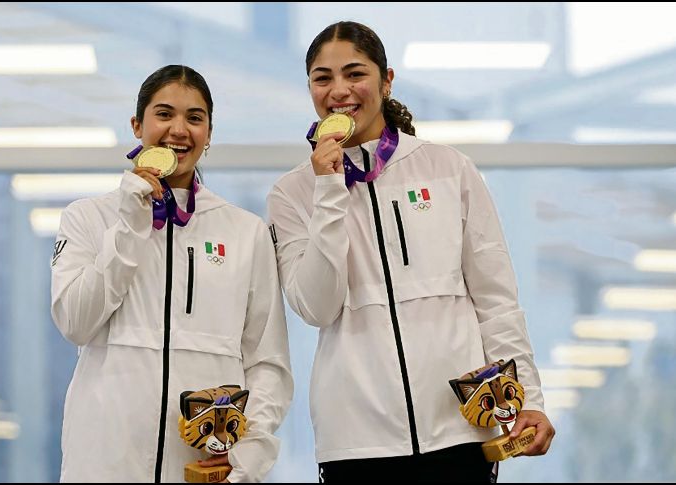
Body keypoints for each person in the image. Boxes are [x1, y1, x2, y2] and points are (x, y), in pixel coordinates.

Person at [267, 21, 554, 482]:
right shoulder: (292, 193)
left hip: (461, 428)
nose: (339, 90)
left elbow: (496, 300)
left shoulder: (448, 169)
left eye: (354, 73)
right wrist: (328, 190)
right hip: (356, 440)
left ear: (386, 80)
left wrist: (529, 399)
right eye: (323, 79)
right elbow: (317, 307)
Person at [51, 65, 293, 483]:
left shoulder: (245, 231)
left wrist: (249, 451)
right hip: (106, 461)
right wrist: (129, 225)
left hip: (204, 466)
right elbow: (75, 322)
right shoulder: (88, 218)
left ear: (209, 134)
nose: (178, 130)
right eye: (164, 114)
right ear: (137, 125)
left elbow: (267, 361)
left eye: (194, 118)